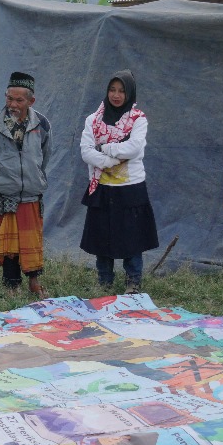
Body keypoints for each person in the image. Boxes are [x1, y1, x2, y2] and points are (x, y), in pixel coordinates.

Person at [78, 70, 159, 293]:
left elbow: (133, 148)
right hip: (102, 188)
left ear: (130, 93)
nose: (116, 95)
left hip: (130, 188)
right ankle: (104, 281)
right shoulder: (93, 120)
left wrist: (104, 148)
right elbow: (86, 152)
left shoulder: (138, 119)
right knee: (102, 236)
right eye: (112, 90)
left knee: (132, 237)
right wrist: (112, 159)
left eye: (122, 91)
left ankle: (133, 281)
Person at [0, 71, 52, 297]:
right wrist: (2, 179)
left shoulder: (42, 125)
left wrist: (34, 176)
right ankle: (12, 284)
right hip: (5, 193)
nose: (13, 104)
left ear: (31, 101)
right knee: (9, 245)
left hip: (31, 194)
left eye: (19, 100)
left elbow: (45, 156)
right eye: (9, 98)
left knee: (31, 241)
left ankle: (33, 282)